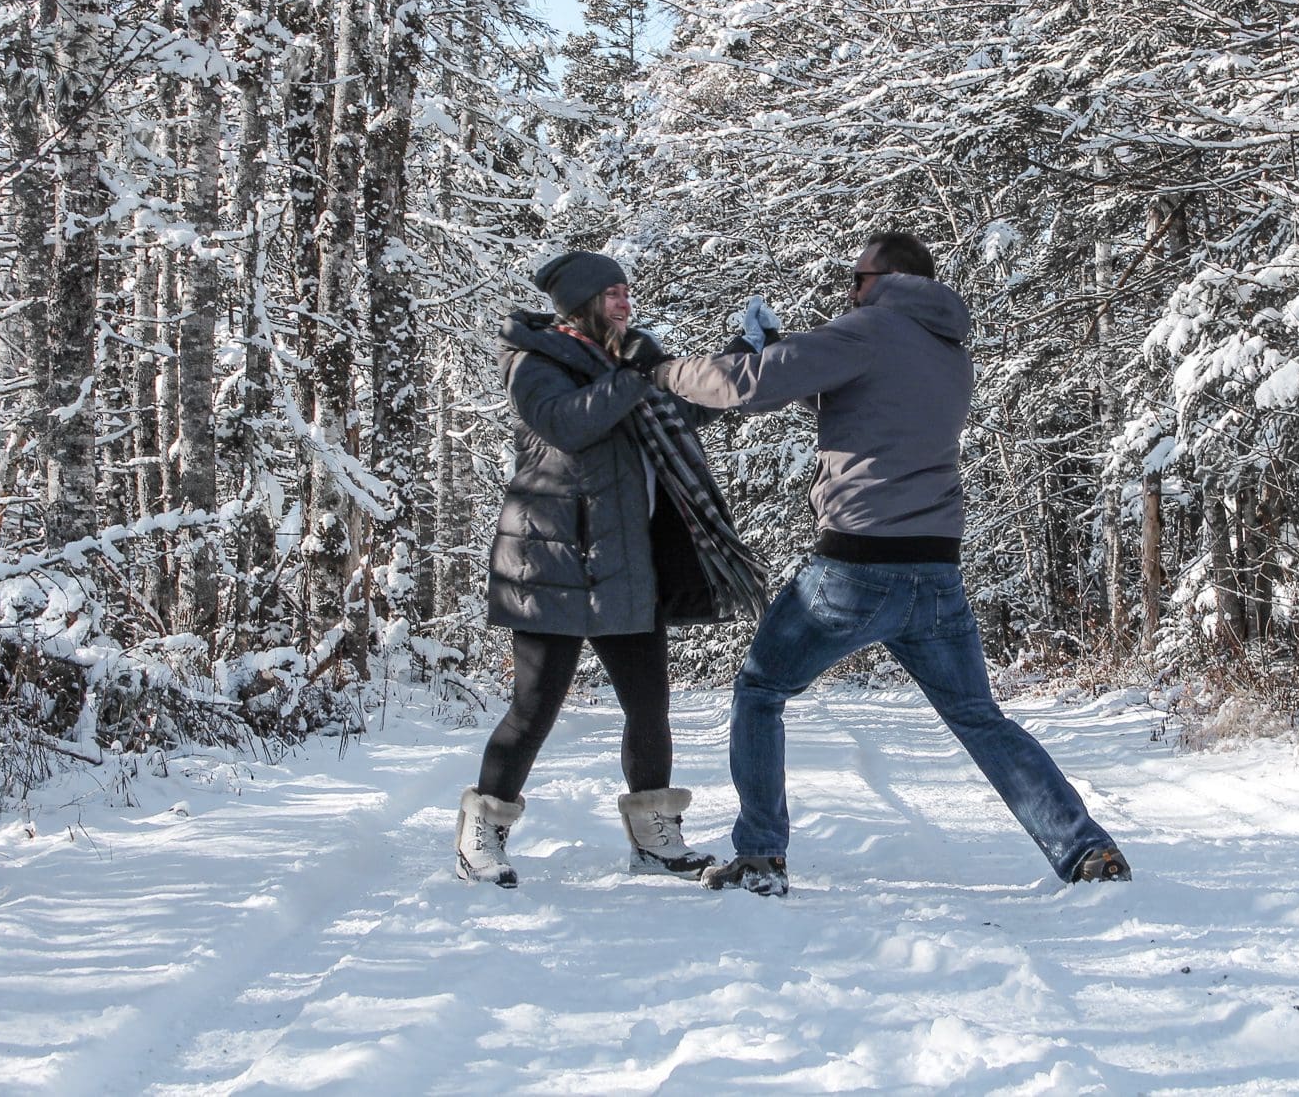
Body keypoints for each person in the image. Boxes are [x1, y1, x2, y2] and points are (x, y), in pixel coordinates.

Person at [649, 231, 1130, 895]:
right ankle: (1085, 849)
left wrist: (665, 371)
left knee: (760, 692)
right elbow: (869, 405)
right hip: (936, 575)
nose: (849, 287)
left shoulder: (869, 327)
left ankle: (761, 854)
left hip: (855, 569)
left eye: (857, 275)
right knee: (980, 719)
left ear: (887, 279)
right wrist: (799, 354)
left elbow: (742, 384)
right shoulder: (947, 349)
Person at [457, 250, 760, 888]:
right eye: (612, 293)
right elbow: (570, 425)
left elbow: (685, 409)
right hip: (549, 562)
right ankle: (482, 831)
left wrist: (742, 352)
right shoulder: (533, 363)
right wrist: (636, 373)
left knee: (650, 705)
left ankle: (655, 836)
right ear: (581, 304)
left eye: (627, 290)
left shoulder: (627, 362)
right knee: (534, 707)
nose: (626, 302)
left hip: (623, 562)